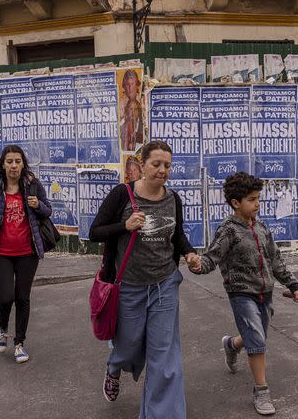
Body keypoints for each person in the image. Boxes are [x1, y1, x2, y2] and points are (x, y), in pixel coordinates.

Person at [89, 140, 200, 419]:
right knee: (127, 348)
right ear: (141, 165)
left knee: (164, 358)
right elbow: (95, 232)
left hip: (164, 285)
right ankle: (115, 367)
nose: (162, 170)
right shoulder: (122, 195)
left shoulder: (172, 198)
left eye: (167, 165)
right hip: (129, 287)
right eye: (156, 164)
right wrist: (124, 226)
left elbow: (177, 235)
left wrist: (188, 253)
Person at [188, 172, 298, 416]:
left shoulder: (261, 227)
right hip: (241, 294)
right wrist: (199, 265)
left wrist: (293, 286)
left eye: (258, 198)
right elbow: (212, 256)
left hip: (266, 292)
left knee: (255, 336)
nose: (257, 204)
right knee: (257, 340)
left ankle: (232, 344)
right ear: (235, 203)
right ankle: (261, 391)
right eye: (252, 200)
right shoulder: (228, 230)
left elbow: (275, 260)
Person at [0, 145, 51, 364]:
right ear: (3, 164)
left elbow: (48, 210)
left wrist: (37, 206)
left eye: (18, 161)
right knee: (6, 296)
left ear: (23, 164)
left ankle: (19, 343)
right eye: (9, 161)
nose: (14, 166)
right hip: (1, 253)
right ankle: (2, 327)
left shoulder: (32, 185)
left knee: (23, 297)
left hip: (28, 252)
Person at [119, 69, 144, 151]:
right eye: (127, 84)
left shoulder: (143, 101)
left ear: (137, 85)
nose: (130, 87)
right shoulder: (120, 103)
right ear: (124, 86)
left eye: (132, 84)